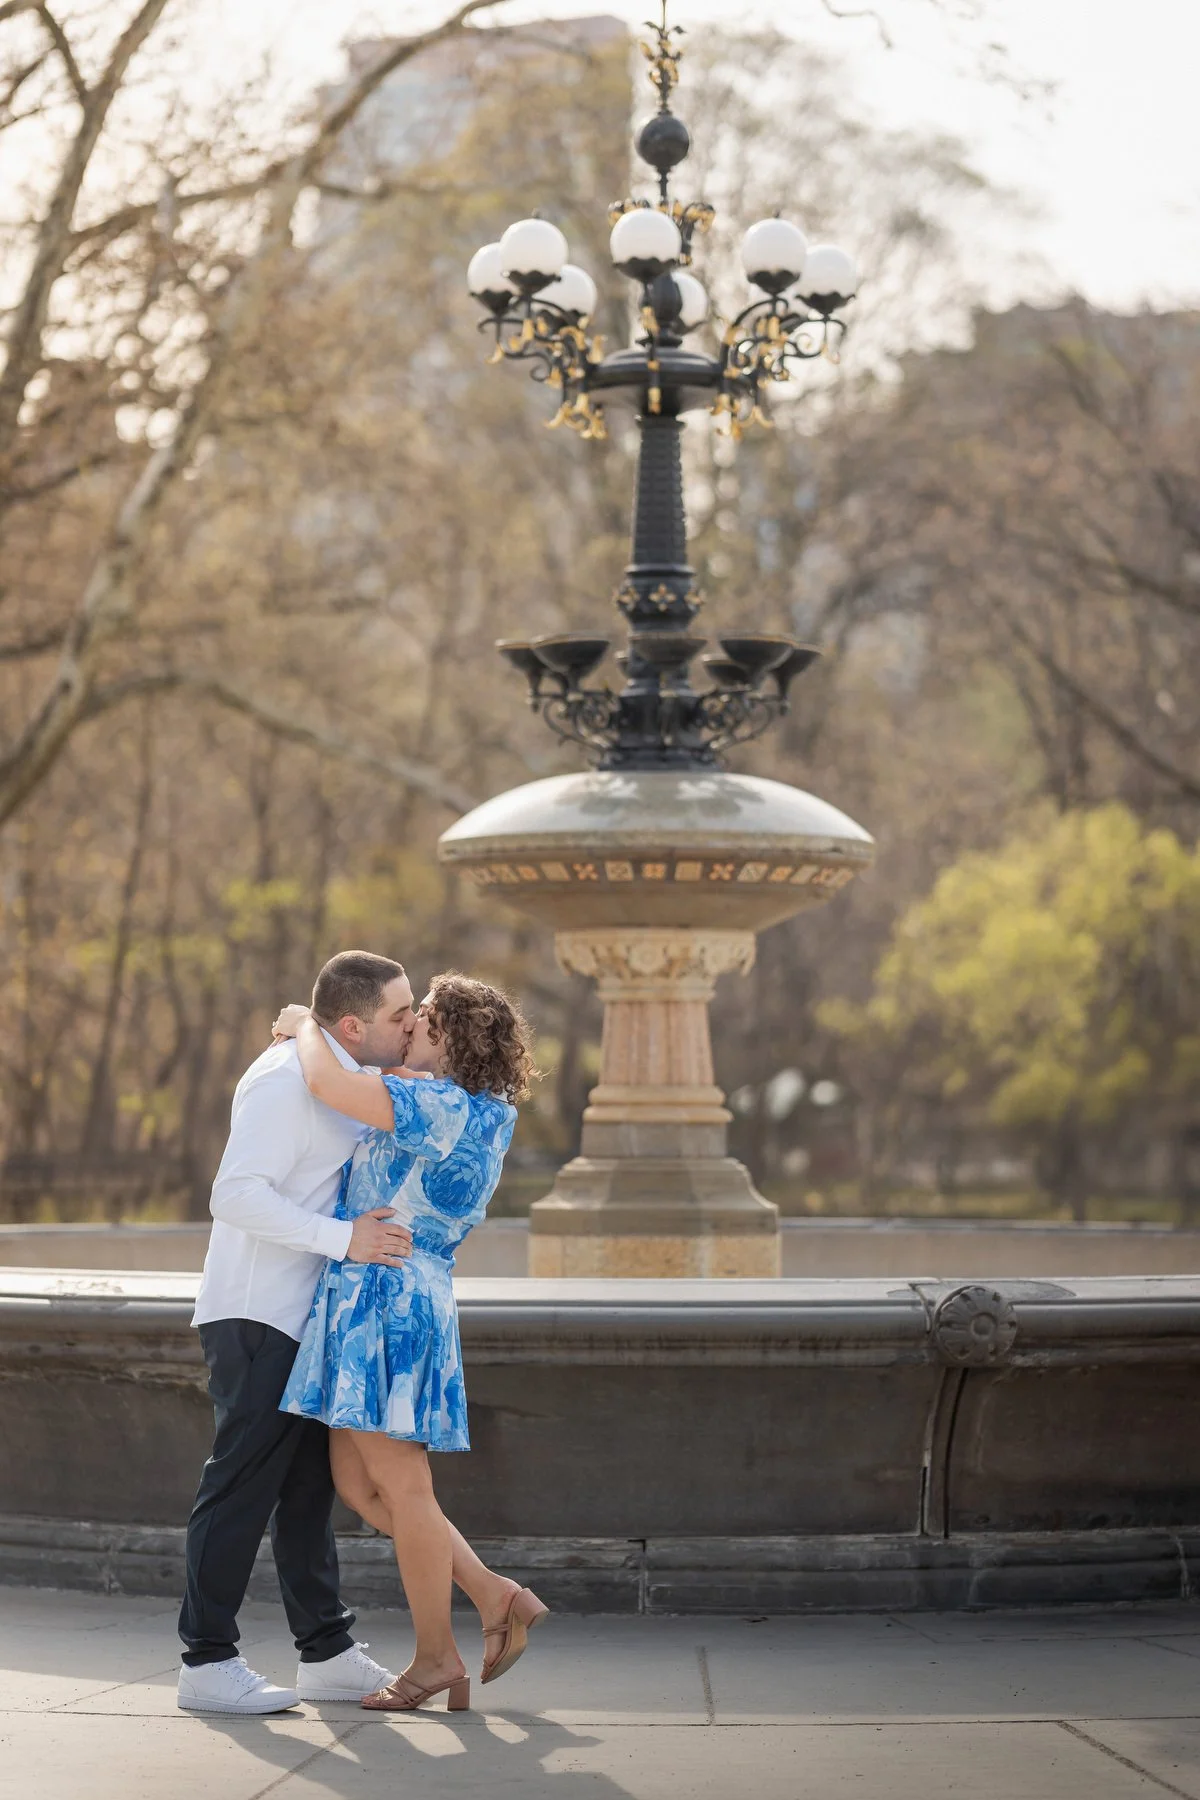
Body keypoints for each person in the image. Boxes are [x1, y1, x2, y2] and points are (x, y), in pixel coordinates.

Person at [271, 971, 547, 1715]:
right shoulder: (479, 1109)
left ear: (449, 1038)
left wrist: (306, 1023)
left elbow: (327, 1082)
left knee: (404, 1489)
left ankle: (435, 1657)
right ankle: (494, 1595)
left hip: (383, 1300)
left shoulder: (437, 1105)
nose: (411, 1023)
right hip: (394, 1294)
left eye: (423, 1016)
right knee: (361, 1487)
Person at [177, 951, 416, 1715]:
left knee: (309, 1492)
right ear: (353, 1024)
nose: (412, 1024)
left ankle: (328, 1652)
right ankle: (206, 1661)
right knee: (239, 1488)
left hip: (306, 1318)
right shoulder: (285, 1080)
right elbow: (235, 1194)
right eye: (400, 1015)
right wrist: (344, 1239)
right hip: (258, 1316)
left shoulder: (339, 1074)